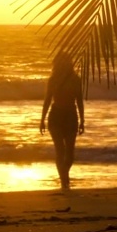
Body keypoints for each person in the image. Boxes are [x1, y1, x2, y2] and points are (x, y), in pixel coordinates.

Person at [41, 51, 85, 189]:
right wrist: (42, 119)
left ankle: (64, 174)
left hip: (71, 116)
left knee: (70, 155)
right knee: (60, 151)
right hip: (56, 116)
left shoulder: (76, 80)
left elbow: (79, 101)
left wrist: (82, 120)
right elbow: (47, 100)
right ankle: (64, 181)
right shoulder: (53, 80)